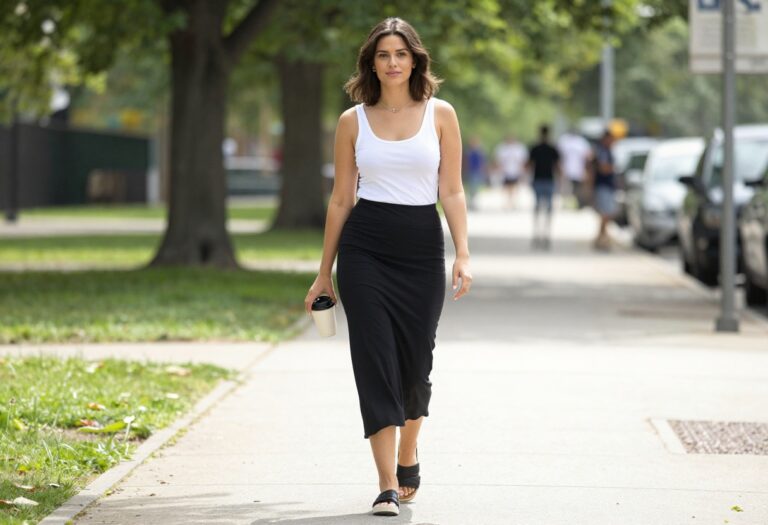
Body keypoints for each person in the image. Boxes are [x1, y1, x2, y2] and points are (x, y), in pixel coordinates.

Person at [304, 17, 472, 517]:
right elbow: (339, 200)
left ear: (415, 59)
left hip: (421, 247)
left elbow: (453, 189)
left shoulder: (440, 114)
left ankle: (407, 453)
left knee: (416, 367)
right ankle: (385, 484)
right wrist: (323, 272)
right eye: (383, 55)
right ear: (371, 63)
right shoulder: (352, 121)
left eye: (401, 53)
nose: (393, 62)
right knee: (374, 361)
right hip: (366, 249)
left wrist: (463, 252)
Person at [526, 125, 561, 249]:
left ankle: (537, 233)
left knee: (538, 209)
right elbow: (558, 166)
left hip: (538, 180)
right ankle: (546, 234)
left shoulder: (535, 148)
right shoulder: (552, 148)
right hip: (549, 180)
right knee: (548, 209)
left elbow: (528, 165)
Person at [590, 130, 617, 250]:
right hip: (604, 185)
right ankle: (602, 237)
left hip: (606, 186)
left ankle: (601, 237)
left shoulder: (603, 151)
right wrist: (612, 168)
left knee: (606, 213)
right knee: (606, 213)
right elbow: (603, 168)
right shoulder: (603, 152)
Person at [557, 127, 592, 208]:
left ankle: (576, 204)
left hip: (578, 171)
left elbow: (588, 156)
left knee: (577, 190)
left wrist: (587, 169)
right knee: (566, 190)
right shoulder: (564, 140)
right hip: (566, 170)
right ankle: (566, 204)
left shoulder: (581, 142)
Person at [494, 134, 528, 209]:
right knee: (506, 187)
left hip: (515, 171)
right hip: (506, 171)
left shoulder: (519, 148)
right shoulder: (502, 148)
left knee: (514, 187)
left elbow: (522, 160)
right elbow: (499, 160)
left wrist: (523, 170)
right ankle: (508, 201)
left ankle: (513, 201)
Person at [465, 136, 487, 210]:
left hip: (477, 172)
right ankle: (471, 203)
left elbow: (482, 162)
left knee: (475, 188)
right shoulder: (469, 152)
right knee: (471, 188)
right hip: (471, 172)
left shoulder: (479, 152)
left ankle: (473, 203)